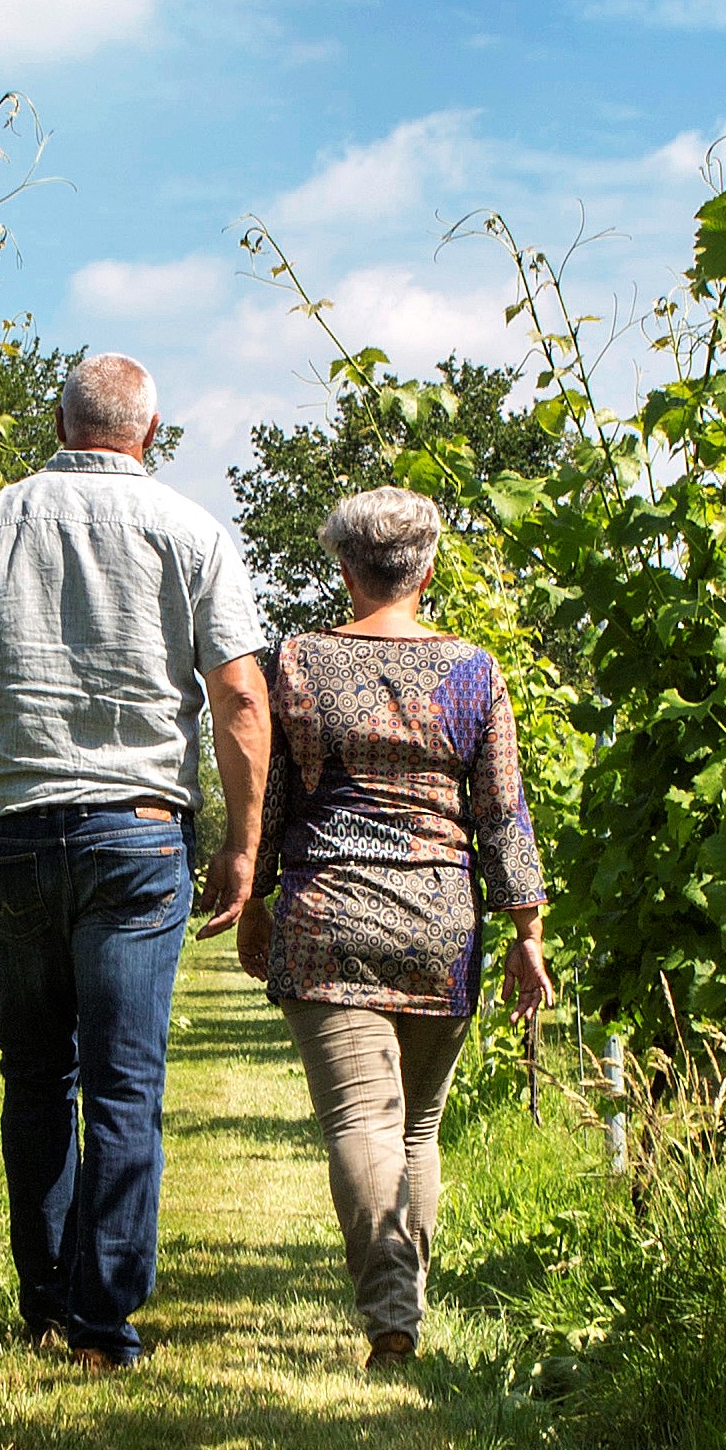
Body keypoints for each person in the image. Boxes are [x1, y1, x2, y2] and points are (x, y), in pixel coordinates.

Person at [0, 353, 272, 1373]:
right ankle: (103, 1324)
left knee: (34, 1075)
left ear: (56, 422)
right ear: (150, 433)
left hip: (13, 827)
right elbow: (240, 697)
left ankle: (43, 1303)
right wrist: (242, 844)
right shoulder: (193, 531)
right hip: (135, 828)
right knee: (121, 1081)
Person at [236, 486, 550, 1368]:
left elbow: (273, 797)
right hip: (442, 923)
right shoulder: (475, 671)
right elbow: (503, 813)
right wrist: (526, 929)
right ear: (429, 565)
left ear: (343, 566)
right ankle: (404, 1304)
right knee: (417, 1127)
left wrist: (252, 898)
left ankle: (392, 1318)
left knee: (361, 1124)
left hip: (328, 917)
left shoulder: (293, 661)